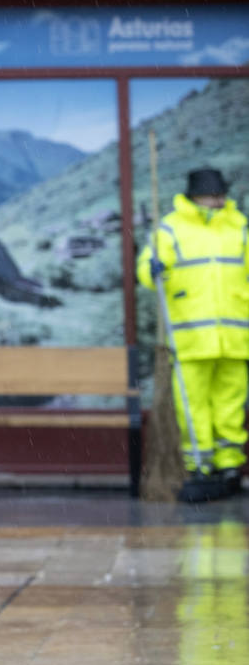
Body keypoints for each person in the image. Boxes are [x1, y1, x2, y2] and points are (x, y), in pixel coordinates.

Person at [138, 167, 249, 503]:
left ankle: (230, 465)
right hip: (190, 339)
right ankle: (199, 466)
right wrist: (152, 269)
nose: (217, 200)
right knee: (192, 407)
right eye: (211, 195)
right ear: (194, 196)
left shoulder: (239, 227)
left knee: (230, 405)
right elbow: (146, 269)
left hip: (235, 336)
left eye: (220, 194)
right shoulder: (170, 229)